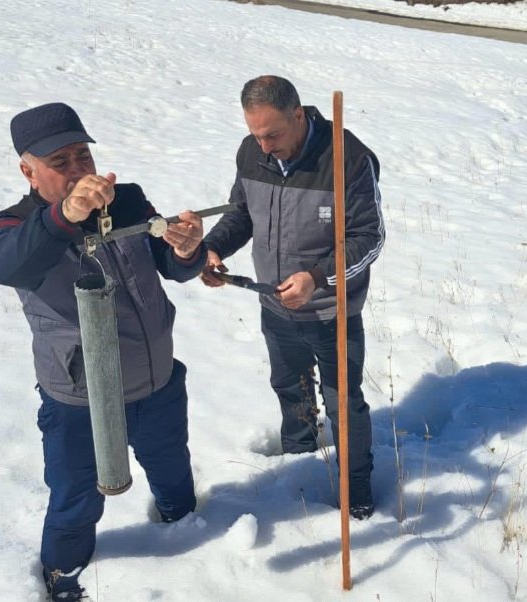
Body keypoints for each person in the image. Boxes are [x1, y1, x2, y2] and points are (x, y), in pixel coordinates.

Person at [0, 102, 206, 600]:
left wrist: (187, 249)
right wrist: (65, 215)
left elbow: (170, 264)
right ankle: (64, 577)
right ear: (29, 171)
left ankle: (188, 532)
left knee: (172, 467)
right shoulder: (12, 225)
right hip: (79, 400)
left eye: (82, 155)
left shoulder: (126, 200)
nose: (78, 169)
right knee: (76, 498)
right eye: (60, 162)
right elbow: (8, 268)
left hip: (157, 380)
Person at [200, 76, 385, 519]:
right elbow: (242, 213)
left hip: (330, 310)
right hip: (274, 305)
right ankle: (299, 460)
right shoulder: (252, 153)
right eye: (255, 135)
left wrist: (317, 279)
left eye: (273, 134)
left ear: (298, 115)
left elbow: (369, 237)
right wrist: (214, 247)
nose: (263, 146)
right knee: (289, 387)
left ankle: (355, 486)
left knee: (344, 402)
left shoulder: (348, 159)